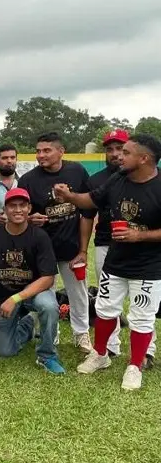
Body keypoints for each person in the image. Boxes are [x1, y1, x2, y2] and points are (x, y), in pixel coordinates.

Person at [54, 134, 161, 390]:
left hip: (149, 267)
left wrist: (140, 235)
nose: (119, 156)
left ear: (144, 158)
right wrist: (69, 196)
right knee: (104, 310)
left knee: (142, 318)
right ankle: (100, 355)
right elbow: (90, 201)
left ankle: (135, 365)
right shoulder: (118, 178)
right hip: (116, 262)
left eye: (126, 152)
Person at [18, 132, 92, 353]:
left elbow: (87, 209)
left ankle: (81, 334)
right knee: (45, 295)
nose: (41, 155)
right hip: (42, 249)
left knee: (78, 293)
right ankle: (51, 335)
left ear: (61, 151)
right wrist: (30, 219)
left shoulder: (76, 171)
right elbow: (19, 212)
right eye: (38, 151)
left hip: (71, 247)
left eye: (47, 150)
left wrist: (83, 249)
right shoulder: (29, 179)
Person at [0, 188, 65, 374]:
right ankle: (26, 325)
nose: (18, 210)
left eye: (22, 205)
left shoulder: (40, 237)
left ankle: (47, 356)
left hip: (32, 294)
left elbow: (48, 278)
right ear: (5, 209)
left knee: (49, 306)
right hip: (2, 298)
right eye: (12, 206)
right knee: (5, 351)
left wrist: (16, 298)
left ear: (29, 208)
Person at [87, 129, 152, 362]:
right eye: (110, 149)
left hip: (147, 255)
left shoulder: (154, 180)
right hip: (108, 246)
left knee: (142, 307)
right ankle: (108, 348)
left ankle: (146, 353)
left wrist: (139, 236)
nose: (116, 154)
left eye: (121, 149)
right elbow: (87, 212)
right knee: (106, 303)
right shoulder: (101, 179)